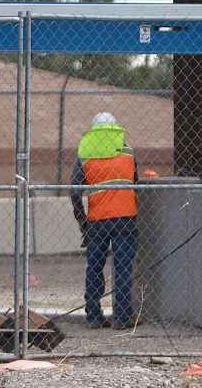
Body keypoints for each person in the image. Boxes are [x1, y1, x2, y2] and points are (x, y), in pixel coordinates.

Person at [70, 112, 139, 329]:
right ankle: (121, 318)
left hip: (97, 220)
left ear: (94, 132)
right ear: (115, 130)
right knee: (123, 268)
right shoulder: (128, 151)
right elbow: (135, 180)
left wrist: (83, 221)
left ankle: (93, 316)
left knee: (94, 267)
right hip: (126, 217)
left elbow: (74, 192)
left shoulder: (84, 155)